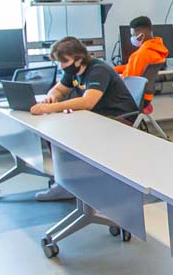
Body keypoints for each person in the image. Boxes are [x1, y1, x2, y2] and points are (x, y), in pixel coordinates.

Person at [30, 36, 138, 200]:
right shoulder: (72, 71)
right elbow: (59, 90)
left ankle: (72, 181)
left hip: (118, 118)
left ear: (79, 59)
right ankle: (66, 180)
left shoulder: (98, 70)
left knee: (66, 131)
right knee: (53, 131)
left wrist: (50, 108)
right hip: (96, 117)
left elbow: (88, 102)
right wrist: (51, 97)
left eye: (64, 61)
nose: (62, 66)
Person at [115, 16, 168, 104]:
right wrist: (113, 70)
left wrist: (113, 78)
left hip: (132, 97)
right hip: (145, 96)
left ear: (141, 33)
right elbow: (133, 66)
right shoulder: (157, 48)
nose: (132, 38)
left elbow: (129, 81)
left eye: (133, 35)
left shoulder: (141, 54)